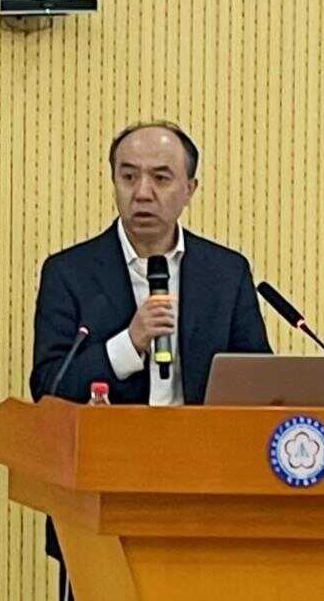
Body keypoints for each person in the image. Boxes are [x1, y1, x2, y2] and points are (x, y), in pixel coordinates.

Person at [28, 121, 272, 597]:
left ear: (190, 189)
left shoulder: (226, 273)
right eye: (128, 176)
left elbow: (256, 379)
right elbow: (49, 386)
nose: (142, 192)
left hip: (205, 492)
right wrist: (129, 342)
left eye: (161, 178)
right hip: (103, 496)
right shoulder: (70, 273)